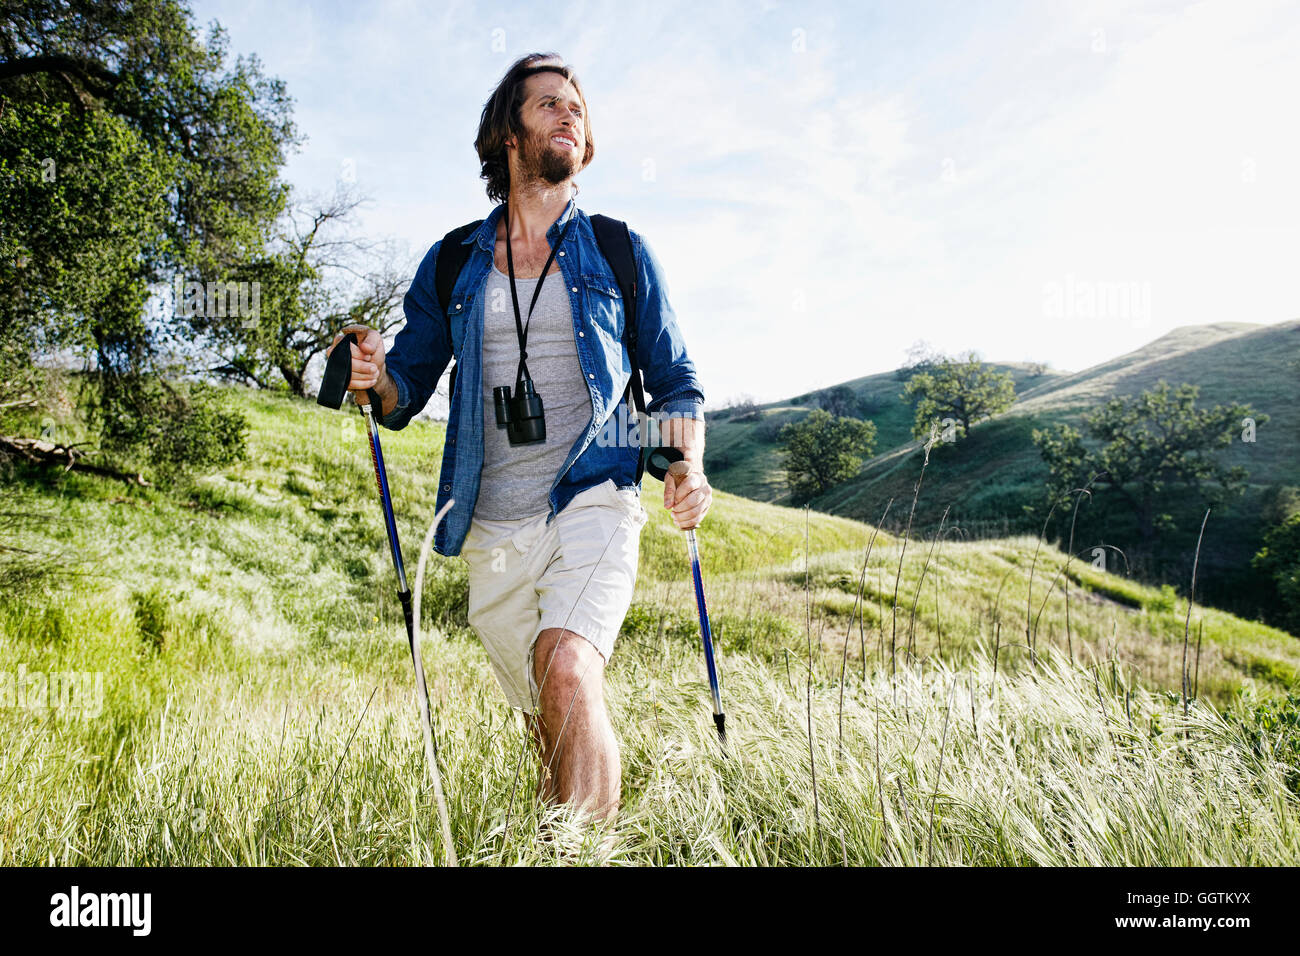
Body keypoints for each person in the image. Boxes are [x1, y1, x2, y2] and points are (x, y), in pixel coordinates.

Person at [326, 53, 711, 822]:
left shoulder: (620, 250)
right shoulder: (451, 264)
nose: (570, 116)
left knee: (566, 667)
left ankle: (583, 854)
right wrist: (371, 373)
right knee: (547, 715)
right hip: (490, 521)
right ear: (508, 133)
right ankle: (560, 834)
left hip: (593, 494)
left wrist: (684, 463)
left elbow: (674, 378)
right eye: (549, 105)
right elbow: (404, 389)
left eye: (578, 108)